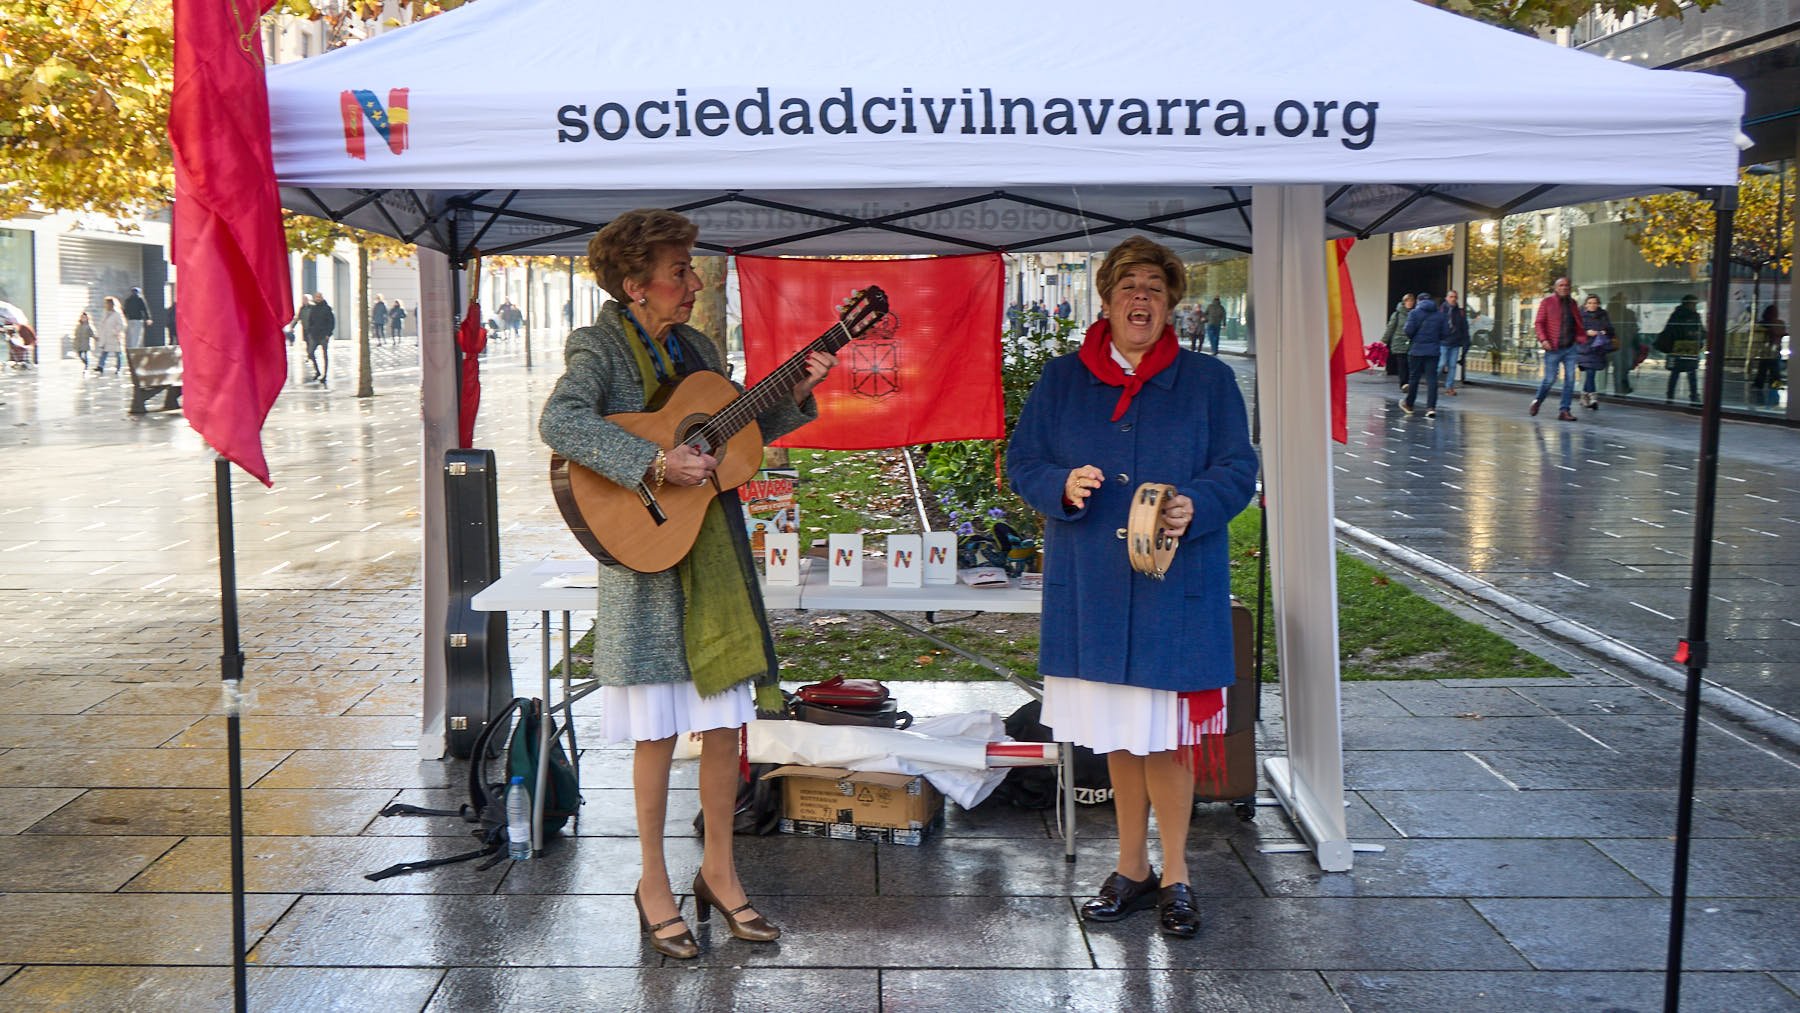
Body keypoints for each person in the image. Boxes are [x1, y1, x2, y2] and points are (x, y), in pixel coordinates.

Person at [538, 208, 835, 960]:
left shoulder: (698, 348)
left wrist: (795, 391)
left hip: (711, 560)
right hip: (646, 567)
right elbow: (561, 421)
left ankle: (721, 872)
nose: (692, 282)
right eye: (679, 271)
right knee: (657, 731)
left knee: (723, 726)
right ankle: (652, 883)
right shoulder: (598, 345)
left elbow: (734, 435)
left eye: (691, 269)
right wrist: (653, 463)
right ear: (636, 285)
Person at [1006, 236, 1258, 941]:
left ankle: (1177, 873)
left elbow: (1239, 469)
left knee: (1167, 739)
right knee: (1120, 736)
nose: (1140, 298)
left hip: (1174, 590)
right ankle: (1131, 867)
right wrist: (1058, 483)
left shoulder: (1208, 382)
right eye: (1128, 286)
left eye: (1154, 286)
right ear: (1107, 298)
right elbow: (1022, 461)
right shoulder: (1062, 380)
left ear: (1172, 301)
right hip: (1093, 588)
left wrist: (1197, 504)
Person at [1530, 277, 1584, 421]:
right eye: (1561, 285)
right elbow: (1539, 323)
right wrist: (1544, 340)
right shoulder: (1547, 302)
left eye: (1567, 285)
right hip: (1553, 347)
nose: (1564, 287)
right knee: (1550, 379)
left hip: (1570, 347)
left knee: (1570, 380)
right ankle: (1538, 401)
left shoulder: (1573, 303)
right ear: (1556, 288)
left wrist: (1580, 338)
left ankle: (1564, 410)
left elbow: (1578, 322)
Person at [1402, 292, 1445, 418]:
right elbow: (1445, 333)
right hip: (1433, 351)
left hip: (1416, 350)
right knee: (1432, 379)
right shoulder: (1440, 315)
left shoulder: (1414, 313)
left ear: (1419, 301)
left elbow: (1408, 331)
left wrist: (1414, 338)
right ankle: (1431, 407)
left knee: (1414, 377)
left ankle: (1409, 404)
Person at [1656, 294, 1703, 405]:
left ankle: (1670, 395)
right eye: (1694, 303)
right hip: (1688, 346)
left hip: (1678, 346)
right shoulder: (1693, 316)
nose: (1695, 306)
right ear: (1689, 303)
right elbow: (1699, 331)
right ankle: (1693, 396)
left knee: (1676, 372)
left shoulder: (1676, 315)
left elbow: (1670, 331)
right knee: (1691, 373)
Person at [1577, 294, 1615, 411]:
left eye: (1594, 303)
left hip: (1598, 347)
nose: (1592, 305)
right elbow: (1575, 331)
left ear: (1598, 304)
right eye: (1590, 303)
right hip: (1585, 348)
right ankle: (1593, 398)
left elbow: (1611, 330)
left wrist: (1605, 331)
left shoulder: (1603, 315)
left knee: (1591, 373)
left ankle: (1584, 396)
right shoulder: (1580, 315)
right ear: (1585, 304)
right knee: (1590, 373)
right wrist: (1587, 332)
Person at [1749, 304, 1785, 407]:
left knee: (1767, 370)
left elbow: (1779, 333)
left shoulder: (1775, 323)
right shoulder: (1775, 323)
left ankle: (1765, 387)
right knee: (1770, 370)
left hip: (1770, 351)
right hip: (1769, 351)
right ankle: (1771, 387)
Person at [1607, 293, 1640, 396]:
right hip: (1616, 344)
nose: (1626, 301)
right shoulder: (1610, 313)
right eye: (1624, 299)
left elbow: (1634, 328)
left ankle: (1622, 387)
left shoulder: (1629, 313)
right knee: (1620, 367)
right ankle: (1619, 390)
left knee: (1625, 366)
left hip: (1626, 343)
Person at [1381, 294, 1416, 391]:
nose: (1410, 303)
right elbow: (1390, 328)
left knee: (1410, 364)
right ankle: (1404, 384)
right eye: (1408, 301)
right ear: (1404, 302)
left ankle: (1409, 383)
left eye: (1411, 301)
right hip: (1399, 342)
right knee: (1402, 364)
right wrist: (1383, 341)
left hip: (1411, 343)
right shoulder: (1397, 314)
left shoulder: (1415, 314)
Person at [1439, 290, 1469, 397]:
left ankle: (1449, 387)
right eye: (1451, 297)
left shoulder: (1460, 312)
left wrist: (1466, 343)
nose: (1453, 299)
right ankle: (1433, 382)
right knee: (1441, 364)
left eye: (1455, 297)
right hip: (1443, 342)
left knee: (1452, 366)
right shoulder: (1441, 310)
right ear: (1446, 298)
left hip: (1455, 342)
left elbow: (1464, 328)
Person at [303, 291, 335, 384]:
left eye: (319, 297)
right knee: (310, 353)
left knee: (325, 355)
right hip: (314, 335)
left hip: (324, 335)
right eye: (316, 297)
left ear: (322, 298)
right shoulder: (314, 308)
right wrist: (310, 331)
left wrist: (328, 334)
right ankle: (317, 371)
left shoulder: (327, 309)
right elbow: (310, 321)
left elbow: (331, 322)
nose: (317, 298)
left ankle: (325, 375)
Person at [95, 297, 127, 375]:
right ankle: (100, 366)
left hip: (115, 337)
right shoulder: (105, 313)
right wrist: (99, 334)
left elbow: (122, 325)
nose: (106, 305)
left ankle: (119, 368)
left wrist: (115, 331)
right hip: (106, 337)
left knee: (118, 353)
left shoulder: (117, 314)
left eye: (107, 303)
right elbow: (101, 324)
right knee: (104, 352)